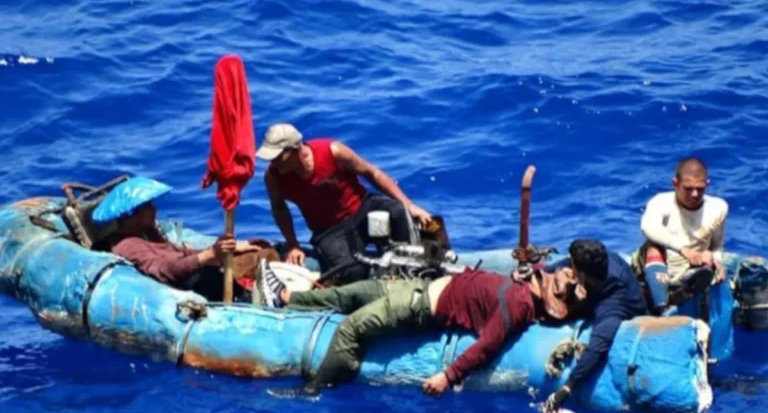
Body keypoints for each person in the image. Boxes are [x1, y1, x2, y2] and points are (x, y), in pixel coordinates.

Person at [256, 259, 588, 396]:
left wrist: (448, 376)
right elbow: (537, 270)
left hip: (418, 307)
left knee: (350, 329)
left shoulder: (518, 308)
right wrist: (528, 272)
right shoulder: (530, 281)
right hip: (418, 286)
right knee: (351, 293)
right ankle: (286, 299)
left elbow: (488, 345)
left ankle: (310, 392)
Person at [257, 122, 433, 286]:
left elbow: (373, 173)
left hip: (362, 208)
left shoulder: (332, 152)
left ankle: (414, 272)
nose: (273, 162)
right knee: (353, 272)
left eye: (278, 157)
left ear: (295, 149)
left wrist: (408, 204)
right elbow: (279, 208)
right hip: (329, 231)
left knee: (397, 211)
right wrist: (293, 245)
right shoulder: (273, 177)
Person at [95, 178, 279, 302]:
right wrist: (209, 254)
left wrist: (227, 250)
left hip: (198, 273)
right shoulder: (128, 246)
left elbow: (179, 252)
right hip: (188, 285)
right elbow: (167, 270)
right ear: (133, 214)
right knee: (219, 280)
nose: (154, 210)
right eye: (149, 206)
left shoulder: (148, 233)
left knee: (258, 253)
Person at [542, 239, 647, 413]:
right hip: (593, 292)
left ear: (582, 275)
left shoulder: (614, 301)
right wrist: (543, 273)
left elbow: (598, 347)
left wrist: (566, 388)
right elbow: (565, 264)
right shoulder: (600, 262)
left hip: (614, 306)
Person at [631, 156, 728, 313]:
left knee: (708, 259)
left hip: (692, 268)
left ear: (707, 184)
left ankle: (684, 291)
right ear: (675, 184)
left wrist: (716, 260)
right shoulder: (660, 202)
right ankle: (661, 308)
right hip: (658, 266)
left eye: (700, 188)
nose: (695, 194)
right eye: (688, 188)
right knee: (653, 248)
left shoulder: (719, 207)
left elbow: (717, 245)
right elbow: (648, 227)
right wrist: (683, 249)